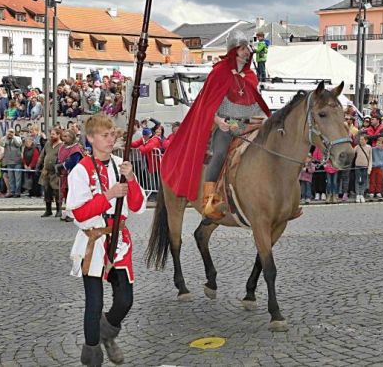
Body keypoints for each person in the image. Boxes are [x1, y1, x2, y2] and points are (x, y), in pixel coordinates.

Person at [159, 30, 270, 219]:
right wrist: (219, 121)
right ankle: (210, 200)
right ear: (233, 51)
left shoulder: (251, 76)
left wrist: (264, 119)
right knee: (219, 153)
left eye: (247, 49)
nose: (246, 52)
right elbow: (206, 104)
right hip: (226, 124)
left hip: (249, 125)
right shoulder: (219, 72)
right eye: (242, 48)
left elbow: (255, 103)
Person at [66, 114, 146, 367]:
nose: (111, 139)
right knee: (95, 301)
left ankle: (107, 332)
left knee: (125, 300)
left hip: (119, 240)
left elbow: (138, 205)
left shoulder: (121, 164)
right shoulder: (81, 170)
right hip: (94, 241)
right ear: (90, 138)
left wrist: (131, 180)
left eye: (113, 135)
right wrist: (109, 195)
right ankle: (92, 355)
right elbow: (78, 212)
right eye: (104, 135)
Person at [56, 129, 84, 221]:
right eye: (63, 136)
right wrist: (57, 166)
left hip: (74, 175)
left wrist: (62, 166)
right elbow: (59, 158)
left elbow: (72, 162)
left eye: (66, 136)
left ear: (71, 137)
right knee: (66, 194)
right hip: (64, 175)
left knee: (73, 195)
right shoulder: (63, 147)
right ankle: (68, 212)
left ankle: (73, 214)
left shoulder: (75, 148)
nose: (64, 138)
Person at [38, 126, 63, 218]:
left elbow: (63, 158)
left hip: (56, 172)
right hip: (46, 171)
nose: (51, 136)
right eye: (50, 134)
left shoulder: (62, 146)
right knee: (46, 190)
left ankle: (59, 210)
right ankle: (48, 210)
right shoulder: (48, 144)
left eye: (53, 134)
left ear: (58, 135)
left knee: (57, 191)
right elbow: (42, 155)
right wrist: (38, 164)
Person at [1, 128, 23, 198]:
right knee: (11, 178)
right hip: (9, 161)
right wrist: (6, 137)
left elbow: (19, 145)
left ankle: (17, 192)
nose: (10, 133)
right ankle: (12, 191)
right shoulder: (4, 139)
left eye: (12, 132)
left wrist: (13, 137)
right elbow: (2, 144)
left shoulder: (18, 138)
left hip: (17, 161)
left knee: (17, 178)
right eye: (9, 132)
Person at [354, 135, 372, 203]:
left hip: (365, 166)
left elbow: (370, 158)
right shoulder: (358, 147)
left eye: (362, 139)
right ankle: (357, 194)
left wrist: (369, 168)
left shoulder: (369, 147)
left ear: (366, 140)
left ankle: (362, 194)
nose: (361, 141)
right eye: (360, 139)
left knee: (364, 181)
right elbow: (353, 152)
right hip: (358, 166)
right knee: (358, 180)